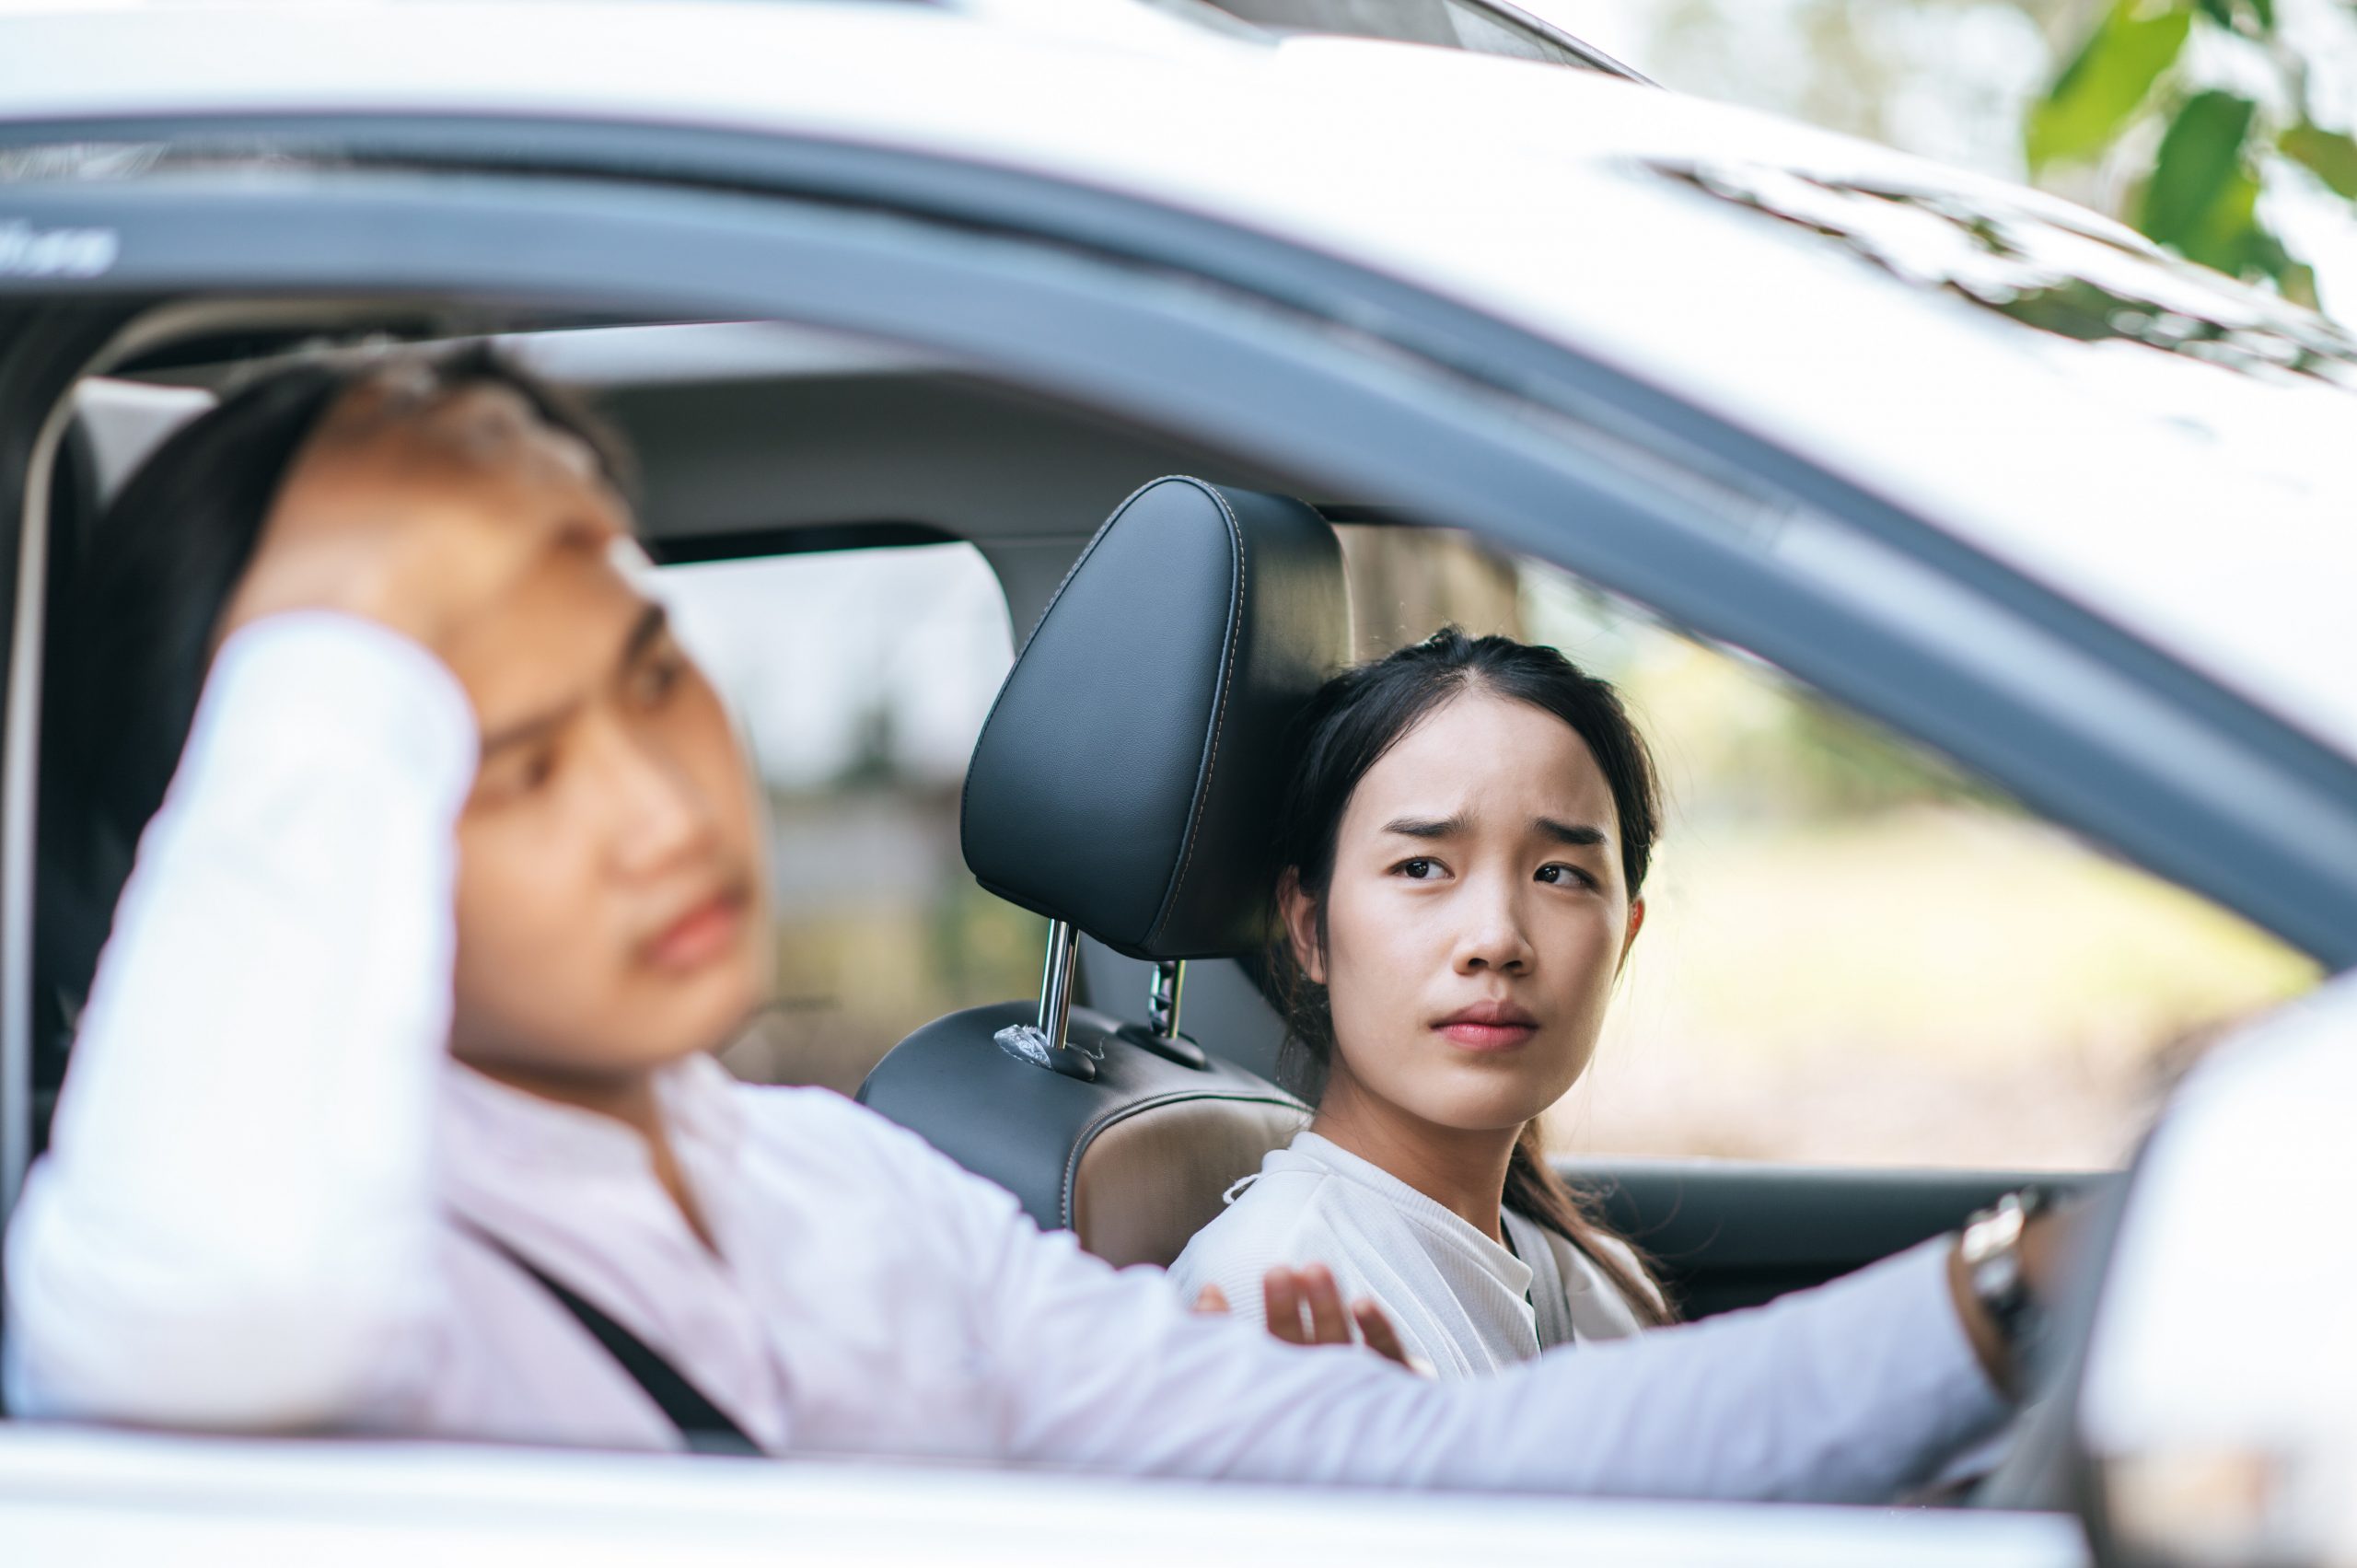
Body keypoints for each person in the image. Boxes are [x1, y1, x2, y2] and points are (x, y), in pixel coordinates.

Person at [6, 347, 2033, 1500]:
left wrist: (2003, 1289)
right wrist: (346, 655)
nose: (650, 801)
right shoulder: (291, 1267)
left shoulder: (841, 1189)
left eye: (641, 663)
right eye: (492, 752)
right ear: (290, 811)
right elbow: (203, 1303)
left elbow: (1419, 1480)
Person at [1170, 633, 1673, 1377]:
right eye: (1422, 866)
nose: (1497, 938)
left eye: (1559, 873)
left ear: (1625, 936)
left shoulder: (1585, 1279)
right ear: (1310, 928)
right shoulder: (1274, 1301)